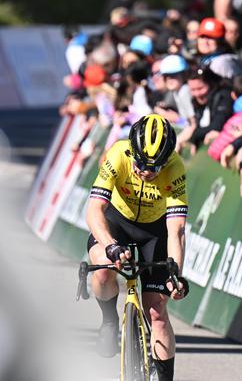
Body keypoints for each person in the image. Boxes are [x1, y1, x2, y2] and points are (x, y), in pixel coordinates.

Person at [85, 114, 189, 381]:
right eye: (142, 163)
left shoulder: (175, 168)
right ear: (132, 151)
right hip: (117, 223)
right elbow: (95, 208)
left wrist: (175, 272)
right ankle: (109, 320)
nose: (147, 172)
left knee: (156, 311)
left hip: (154, 232)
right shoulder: (118, 153)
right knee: (104, 269)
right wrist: (111, 247)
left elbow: (176, 228)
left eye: (155, 167)